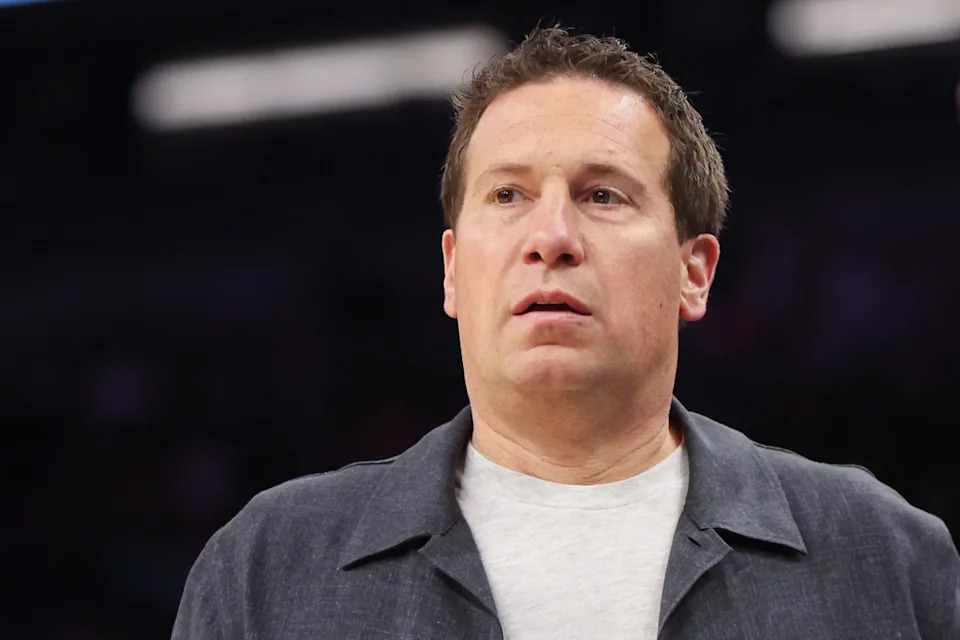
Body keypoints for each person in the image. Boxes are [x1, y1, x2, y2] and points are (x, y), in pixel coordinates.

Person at [171, 26, 959, 639]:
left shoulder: (880, 552)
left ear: (696, 271)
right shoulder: (268, 571)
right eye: (508, 195)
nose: (552, 236)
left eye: (604, 195)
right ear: (452, 270)